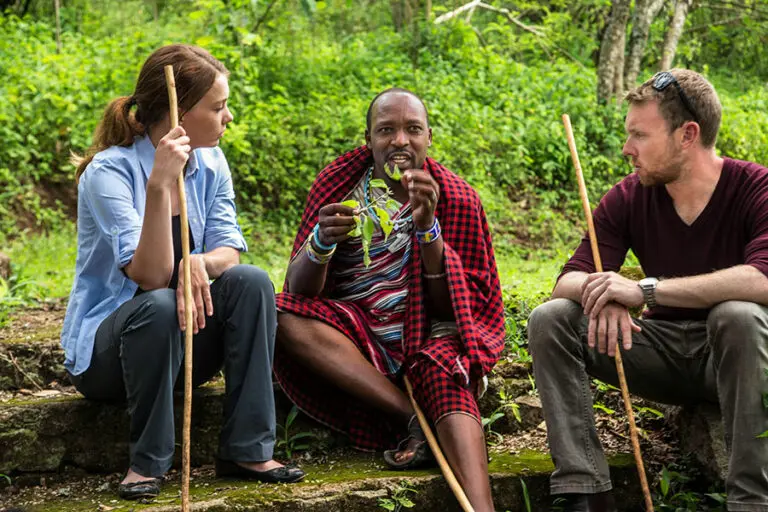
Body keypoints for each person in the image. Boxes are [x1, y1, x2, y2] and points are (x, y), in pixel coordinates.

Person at [61, 44, 304, 501]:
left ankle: (248, 448)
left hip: (180, 343)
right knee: (156, 303)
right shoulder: (108, 173)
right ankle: (148, 462)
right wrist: (158, 185)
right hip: (108, 358)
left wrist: (198, 261)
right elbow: (151, 276)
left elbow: (229, 252)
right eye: (218, 107)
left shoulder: (211, 161)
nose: (228, 116)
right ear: (180, 111)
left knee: (250, 282)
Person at [528, 68, 768, 512]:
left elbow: (763, 280)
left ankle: (752, 503)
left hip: (739, 357)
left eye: (639, 135)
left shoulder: (757, 187)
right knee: (550, 319)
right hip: (662, 354)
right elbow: (568, 279)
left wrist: (645, 292)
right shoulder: (629, 196)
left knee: (737, 314)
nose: (627, 150)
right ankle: (586, 493)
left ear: (687, 135)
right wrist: (607, 291)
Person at [273, 88, 505, 511]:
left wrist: (428, 229)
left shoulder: (456, 198)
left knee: (443, 371)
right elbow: (298, 291)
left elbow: (457, 311)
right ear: (368, 140)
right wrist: (322, 241)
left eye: (412, 129)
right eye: (386, 130)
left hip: (429, 335)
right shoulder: (338, 185)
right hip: (355, 336)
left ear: (429, 137)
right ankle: (410, 417)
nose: (400, 141)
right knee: (281, 313)